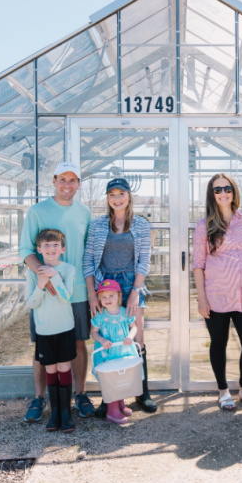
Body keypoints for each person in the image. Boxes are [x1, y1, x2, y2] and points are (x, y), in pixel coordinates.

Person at [19, 162, 95, 423]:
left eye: (73, 180)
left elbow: (88, 252)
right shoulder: (38, 211)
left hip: (76, 292)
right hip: (45, 293)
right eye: (63, 179)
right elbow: (25, 250)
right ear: (53, 181)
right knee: (44, 346)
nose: (67, 184)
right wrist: (45, 276)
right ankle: (40, 398)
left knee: (77, 342)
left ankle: (80, 394)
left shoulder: (84, 212)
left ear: (78, 184)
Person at [83, 177, 157, 415]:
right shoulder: (97, 225)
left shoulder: (141, 225)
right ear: (107, 198)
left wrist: (135, 291)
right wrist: (93, 294)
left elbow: (144, 261)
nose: (117, 199)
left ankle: (142, 392)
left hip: (131, 282)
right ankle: (110, 396)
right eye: (112, 194)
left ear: (129, 197)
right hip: (105, 285)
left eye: (121, 194)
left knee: (137, 336)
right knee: (107, 337)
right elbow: (88, 261)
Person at [192, 173, 242, 412]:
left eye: (227, 188)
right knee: (218, 344)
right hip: (216, 296)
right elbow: (198, 264)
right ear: (211, 195)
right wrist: (202, 298)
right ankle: (223, 391)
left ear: (234, 191)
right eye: (217, 189)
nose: (223, 193)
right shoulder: (204, 225)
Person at [24, 229, 77, 432]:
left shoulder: (68, 269)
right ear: (39, 250)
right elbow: (32, 303)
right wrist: (40, 283)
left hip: (64, 328)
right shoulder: (32, 273)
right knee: (50, 369)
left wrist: (54, 276)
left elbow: (65, 298)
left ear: (62, 249)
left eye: (55, 245)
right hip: (44, 331)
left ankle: (66, 413)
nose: (51, 249)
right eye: (46, 245)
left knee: (64, 368)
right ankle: (55, 412)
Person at [91, 279, 139, 425]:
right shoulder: (100, 316)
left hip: (123, 352)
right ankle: (112, 411)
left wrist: (130, 337)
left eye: (111, 296)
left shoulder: (125, 313)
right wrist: (102, 340)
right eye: (103, 297)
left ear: (119, 296)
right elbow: (94, 333)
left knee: (121, 377)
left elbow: (134, 327)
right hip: (108, 354)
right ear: (99, 299)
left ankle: (120, 404)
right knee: (111, 380)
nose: (107, 300)